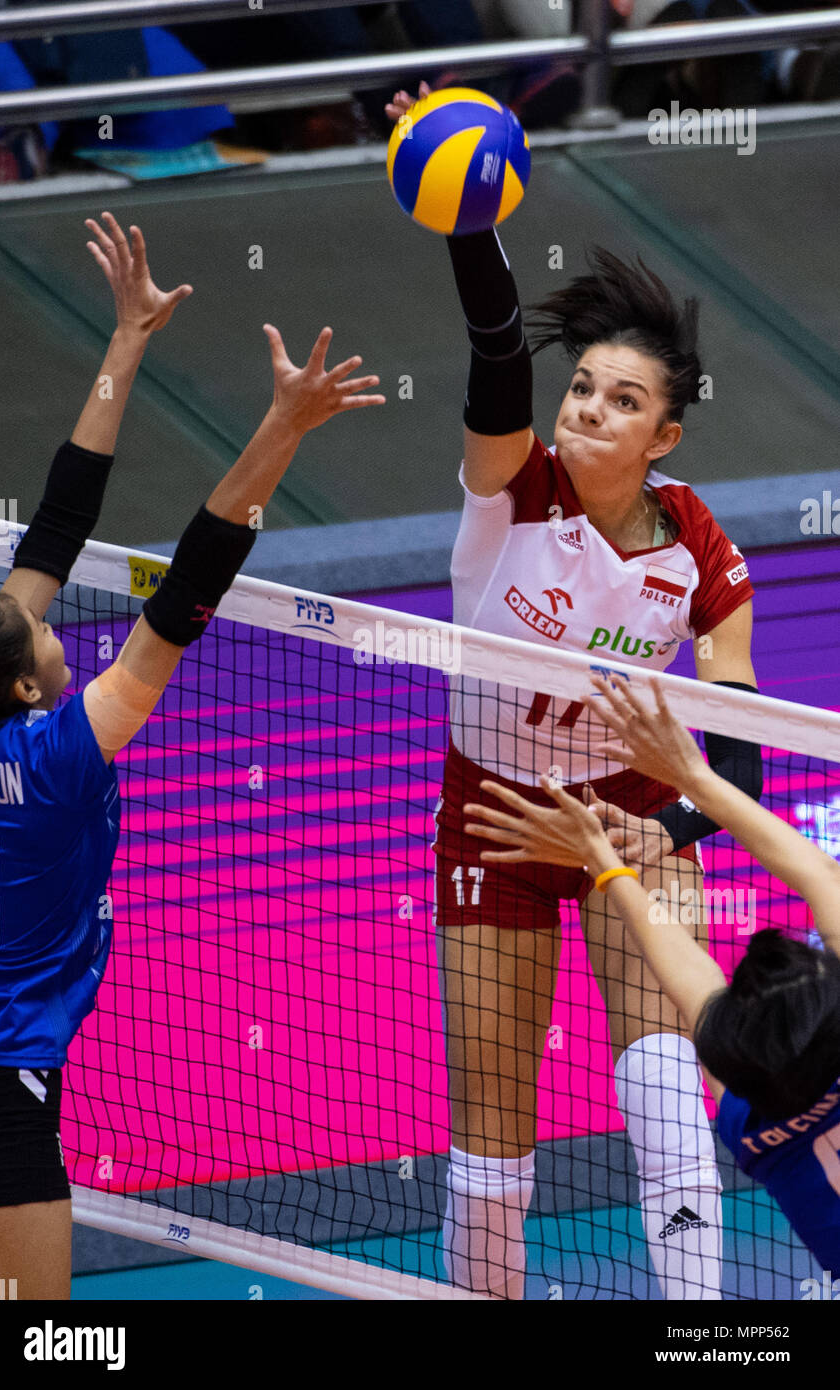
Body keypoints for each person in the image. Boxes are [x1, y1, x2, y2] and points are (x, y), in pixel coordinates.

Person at [385, 83, 762, 1301]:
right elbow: (498, 357)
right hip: (493, 813)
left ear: (663, 437)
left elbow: (742, 739)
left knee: (663, 1063)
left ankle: (694, 1320)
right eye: (584, 385)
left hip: (623, 810)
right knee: (491, 1117)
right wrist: (463, 216)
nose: (585, 405)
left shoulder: (698, 549)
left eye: (621, 398)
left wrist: (669, 828)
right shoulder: (511, 491)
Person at [0, 212, 384, 1299]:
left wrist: (126, 339)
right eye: (46, 629)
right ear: (24, 684)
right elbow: (188, 589)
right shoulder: (61, 757)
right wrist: (285, 425)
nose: (54, 616)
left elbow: (55, 526)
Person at [465, 671, 840, 1279]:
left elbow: (687, 975)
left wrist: (604, 863)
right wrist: (695, 777)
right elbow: (823, 877)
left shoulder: (754, 1131)